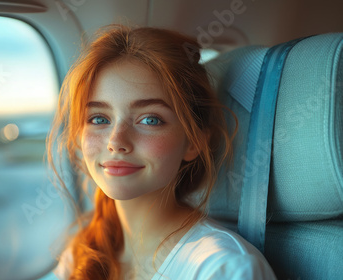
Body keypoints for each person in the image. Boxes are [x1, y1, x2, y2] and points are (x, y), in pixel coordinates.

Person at [46, 24, 276, 280]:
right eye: (99, 119)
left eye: (150, 120)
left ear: (193, 141)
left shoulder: (224, 269)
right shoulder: (80, 256)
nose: (116, 141)